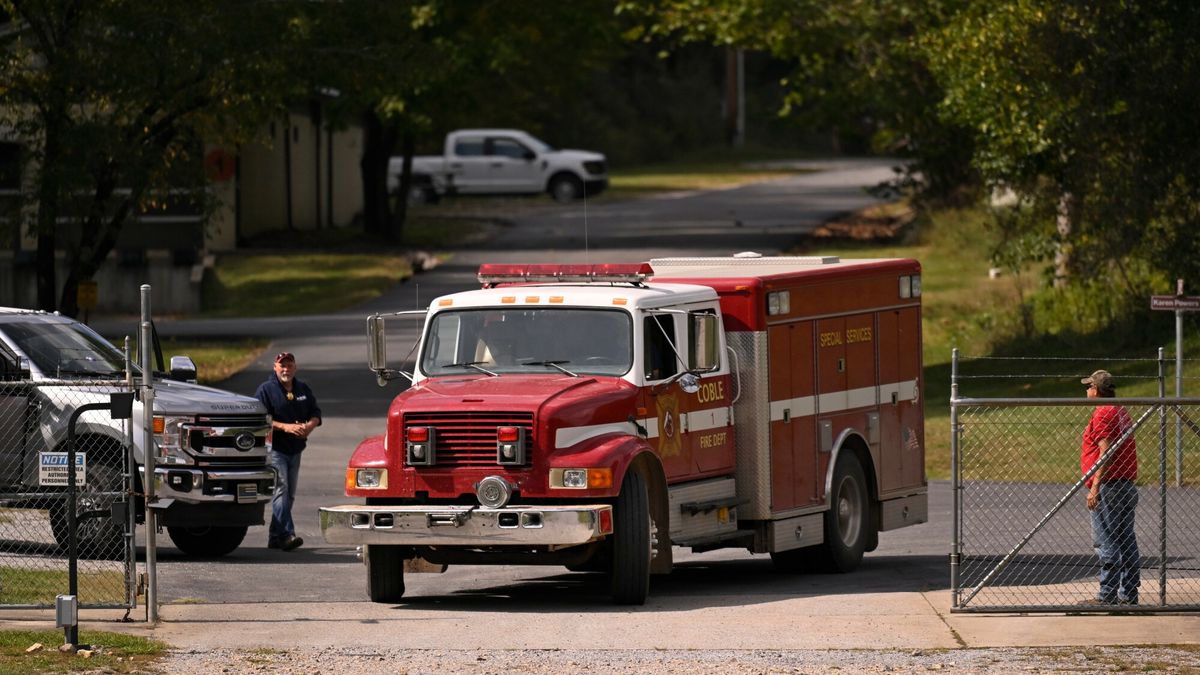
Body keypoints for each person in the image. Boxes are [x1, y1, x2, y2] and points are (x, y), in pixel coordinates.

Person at [1078, 369, 1140, 606]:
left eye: (1088, 386)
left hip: (1109, 486)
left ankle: (1107, 595)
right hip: (1125, 484)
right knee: (1126, 539)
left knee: (1107, 541)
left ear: (1097, 390)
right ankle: (1129, 593)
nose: (1086, 390)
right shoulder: (1120, 410)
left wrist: (1095, 486)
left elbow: (1106, 452)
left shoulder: (1103, 412)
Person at [255, 352, 321, 552]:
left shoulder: (302, 388)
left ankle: (275, 537)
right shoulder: (266, 390)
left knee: (289, 495)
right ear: (275, 368)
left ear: (295, 367)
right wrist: (287, 427)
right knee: (281, 490)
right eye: (281, 366)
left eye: (289, 365)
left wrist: (309, 426)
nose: (286, 369)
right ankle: (286, 535)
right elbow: (260, 418)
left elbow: (315, 413)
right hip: (275, 450)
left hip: (296, 449)